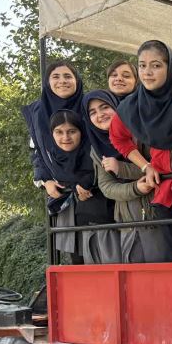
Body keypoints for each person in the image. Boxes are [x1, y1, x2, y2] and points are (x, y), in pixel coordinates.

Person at [112, 40, 172, 262]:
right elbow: (118, 138)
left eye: (156, 65)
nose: (147, 72)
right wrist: (145, 166)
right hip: (165, 193)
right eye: (142, 65)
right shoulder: (132, 106)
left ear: (170, 66)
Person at [83, 90, 158, 263]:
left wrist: (121, 168)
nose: (100, 115)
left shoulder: (140, 130)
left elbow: (159, 168)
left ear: (117, 107)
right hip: (127, 221)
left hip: (157, 214)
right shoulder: (96, 148)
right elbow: (107, 187)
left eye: (105, 107)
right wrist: (135, 188)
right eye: (92, 112)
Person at [46, 110, 118, 264]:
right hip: (71, 224)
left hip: (104, 221)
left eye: (72, 131)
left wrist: (87, 182)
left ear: (82, 131)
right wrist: (50, 182)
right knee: (79, 268)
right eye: (59, 132)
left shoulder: (96, 150)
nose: (65, 137)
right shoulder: (51, 158)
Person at [23, 60, 85, 203]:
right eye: (56, 77)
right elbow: (36, 150)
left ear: (76, 81)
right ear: (48, 82)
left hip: (98, 188)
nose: (62, 81)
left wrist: (90, 180)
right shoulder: (38, 113)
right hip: (59, 193)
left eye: (68, 76)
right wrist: (45, 180)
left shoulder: (90, 106)